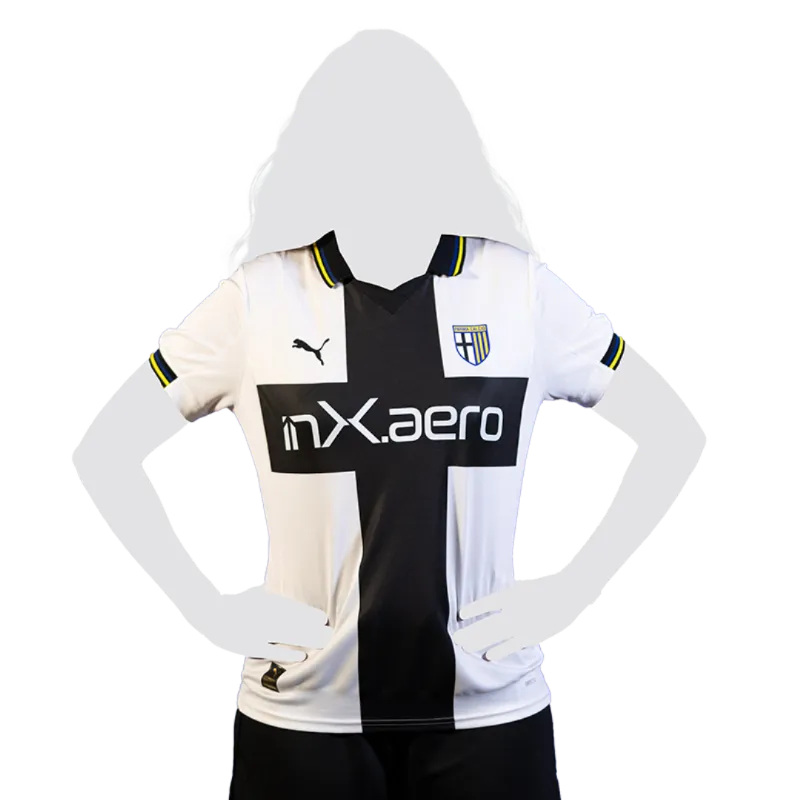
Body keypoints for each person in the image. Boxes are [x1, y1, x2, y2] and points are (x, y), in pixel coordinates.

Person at [70, 26, 704, 800]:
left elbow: (673, 431)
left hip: (490, 711)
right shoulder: (258, 300)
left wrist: (577, 589)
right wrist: (200, 606)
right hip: (302, 716)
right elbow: (105, 449)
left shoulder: (519, 290)